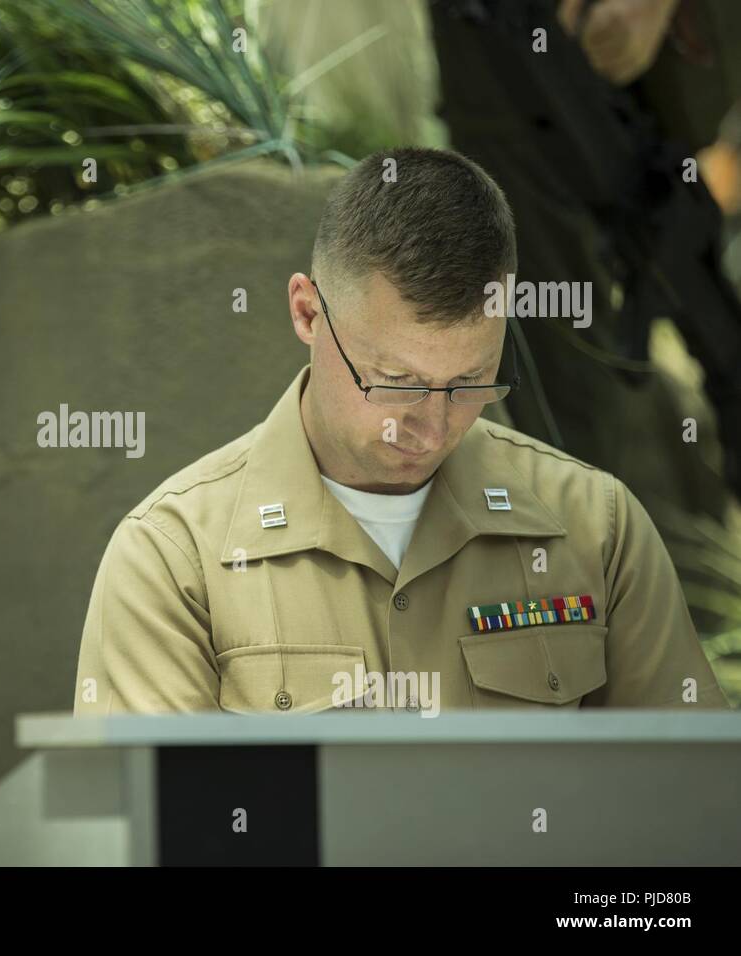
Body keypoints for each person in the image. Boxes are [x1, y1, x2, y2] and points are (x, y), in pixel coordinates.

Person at [73, 147, 729, 714]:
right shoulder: (173, 560)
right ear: (307, 311)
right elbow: (151, 832)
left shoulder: (596, 528)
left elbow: (692, 802)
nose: (431, 426)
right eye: (396, 382)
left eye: (472, 381)